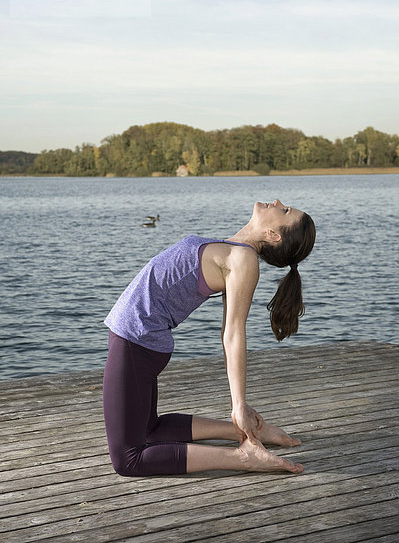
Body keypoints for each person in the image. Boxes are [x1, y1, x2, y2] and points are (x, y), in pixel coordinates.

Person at [103, 199, 316, 477]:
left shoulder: (243, 260)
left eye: (285, 211)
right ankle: (249, 432)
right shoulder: (235, 250)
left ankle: (243, 457)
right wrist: (241, 417)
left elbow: (233, 332)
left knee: (128, 459)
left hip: (136, 342)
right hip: (138, 340)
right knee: (149, 430)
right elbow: (228, 332)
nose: (277, 203)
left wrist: (238, 404)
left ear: (273, 235)